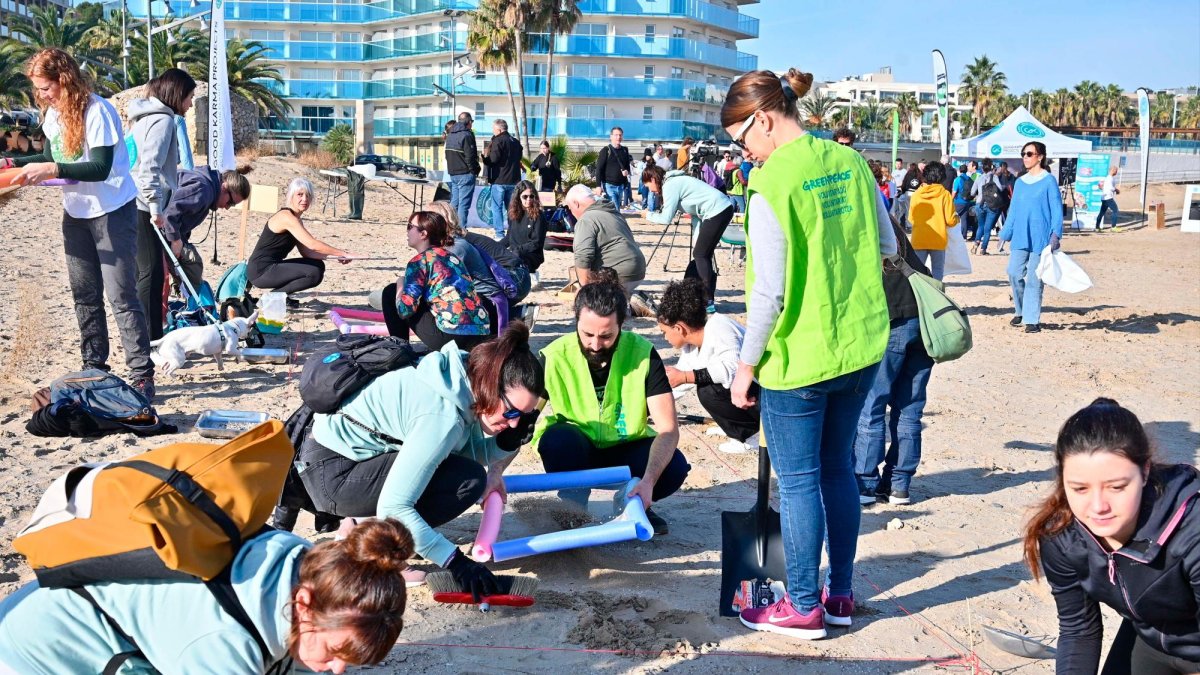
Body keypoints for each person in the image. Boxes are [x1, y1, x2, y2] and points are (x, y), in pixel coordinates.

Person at [720, 66, 897, 638]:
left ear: (763, 120)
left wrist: (745, 367)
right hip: (861, 344)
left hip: (799, 355)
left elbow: (768, 291)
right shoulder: (851, 162)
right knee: (838, 469)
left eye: (741, 139)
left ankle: (801, 604)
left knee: (798, 482)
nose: (744, 152)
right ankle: (839, 594)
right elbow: (887, 243)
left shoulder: (770, 183)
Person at [299, 325, 542, 597]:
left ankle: (360, 526)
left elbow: (459, 452)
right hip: (333, 473)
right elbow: (394, 507)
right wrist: (456, 562)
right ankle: (379, 550)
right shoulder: (442, 416)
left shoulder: (462, 376)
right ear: (491, 384)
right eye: (511, 412)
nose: (514, 423)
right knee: (464, 483)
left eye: (523, 416)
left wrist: (505, 443)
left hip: (344, 455)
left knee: (468, 476)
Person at [0, 519, 415, 674]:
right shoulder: (221, 645)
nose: (338, 670)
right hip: (36, 653)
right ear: (303, 604)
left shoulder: (306, 564)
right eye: (335, 652)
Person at [6, 49, 155, 400]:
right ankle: (94, 367)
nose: (41, 95)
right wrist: (12, 163)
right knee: (84, 294)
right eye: (38, 89)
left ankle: (141, 375)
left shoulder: (97, 111)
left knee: (121, 295)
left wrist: (52, 169)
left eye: (46, 88)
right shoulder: (54, 114)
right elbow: (51, 156)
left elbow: (100, 167)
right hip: (76, 214)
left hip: (112, 210)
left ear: (65, 80)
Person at [1023, 398, 1200, 675]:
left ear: (1145, 472)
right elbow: (1078, 630)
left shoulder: (1192, 531)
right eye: (1080, 489)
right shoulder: (1063, 538)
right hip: (1150, 638)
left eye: (1116, 487)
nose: (1098, 507)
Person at [533, 280, 689, 535]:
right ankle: (573, 507)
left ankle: (633, 501)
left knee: (674, 467)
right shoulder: (553, 356)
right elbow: (519, 422)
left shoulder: (643, 353)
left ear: (621, 326)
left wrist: (648, 481)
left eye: (606, 336)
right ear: (576, 322)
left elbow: (668, 429)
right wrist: (495, 473)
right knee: (557, 440)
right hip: (577, 450)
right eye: (587, 334)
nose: (595, 345)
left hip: (625, 449)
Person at [853, 217, 934, 506]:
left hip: (893, 322)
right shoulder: (892, 227)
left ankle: (865, 483)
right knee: (910, 408)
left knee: (871, 406)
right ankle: (899, 485)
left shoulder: (862, 231)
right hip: (924, 323)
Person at [656, 278, 759, 454]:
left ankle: (751, 436)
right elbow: (676, 387)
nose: (665, 338)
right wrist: (648, 406)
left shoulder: (719, 327)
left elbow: (732, 369)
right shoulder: (691, 347)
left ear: (679, 328)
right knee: (704, 382)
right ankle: (733, 428)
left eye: (664, 332)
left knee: (708, 390)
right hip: (748, 398)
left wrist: (686, 376)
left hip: (763, 398)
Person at [131, 68, 197, 338]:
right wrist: (156, 208)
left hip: (136, 201)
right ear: (177, 94)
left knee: (148, 272)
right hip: (143, 205)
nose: (190, 104)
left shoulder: (145, 117)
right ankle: (149, 339)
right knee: (152, 273)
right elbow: (150, 166)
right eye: (189, 97)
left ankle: (147, 336)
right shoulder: (163, 121)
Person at [384, 210, 492, 351]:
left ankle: (400, 350)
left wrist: (400, 284)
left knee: (390, 292)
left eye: (410, 226)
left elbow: (404, 310)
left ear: (423, 234)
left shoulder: (419, 262)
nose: (407, 231)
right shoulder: (452, 257)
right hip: (481, 333)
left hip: (450, 336)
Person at [641, 163, 735, 311]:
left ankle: (707, 300)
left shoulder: (670, 185)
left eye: (648, 186)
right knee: (703, 254)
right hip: (722, 208)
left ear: (652, 179)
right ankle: (706, 298)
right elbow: (696, 214)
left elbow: (666, 218)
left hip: (717, 210)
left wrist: (648, 215)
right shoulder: (675, 181)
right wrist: (698, 239)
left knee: (700, 254)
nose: (650, 190)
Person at [246, 178, 352, 304]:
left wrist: (337, 257)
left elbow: (307, 252)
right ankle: (273, 297)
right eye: (300, 195)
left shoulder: (296, 220)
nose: (305, 199)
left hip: (271, 267)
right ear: (291, 196)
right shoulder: (286, 217)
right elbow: (312, 244)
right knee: (314, 272)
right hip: (260, 271)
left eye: (308, 195)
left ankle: (277, 296)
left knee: (317, 266)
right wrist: (342, 252)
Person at [998, 141, 1062, 333]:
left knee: (1035, 278)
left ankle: (1032, 319)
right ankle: (1021, 310)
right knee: (1014, 273)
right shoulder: (1020, 182)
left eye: (1029, 154)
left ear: (1040, 157)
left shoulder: (1049, 181)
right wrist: (1005, 232)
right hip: (1020, 235)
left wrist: (1056, 234)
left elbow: (1056, 210)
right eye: (1023, 154)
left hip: (1041, 237)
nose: (1025, 157)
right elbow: (1013, 210)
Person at [565, 183, 646, 296]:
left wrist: (585, 289)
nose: (572, 213)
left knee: (589, 299)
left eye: (570, 209)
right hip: (639, 271)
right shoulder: (612, 212)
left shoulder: (586, 219)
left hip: (619, 274)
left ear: (576, 203)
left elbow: (583, 256)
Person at [908, 162, 958, 280]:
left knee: (918, 271)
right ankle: (936, 290)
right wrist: (957, 219)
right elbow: (950, 220)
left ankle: (919, 290)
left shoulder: (916, 194)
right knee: (938, 270)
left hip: (919, 238)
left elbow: (911, 218)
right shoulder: (945, 194)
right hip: (938, 239)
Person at [501, 179, 546, 290]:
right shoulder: (512, 214)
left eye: (531, 196)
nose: (528, 200)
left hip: (531, 254)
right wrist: (495, 246)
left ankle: (530, 274)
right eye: (525, 197)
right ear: (518, 197)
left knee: (516, 256)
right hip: (515, 252)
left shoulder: (539, 216)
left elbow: (536, 243)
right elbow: (509, 237)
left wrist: (517, 250)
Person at [483, 119, 521, 240]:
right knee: (511, 209)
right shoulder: (516, 142)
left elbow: (494, 159)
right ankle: (513, 233)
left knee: (497, 208)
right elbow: (519, 157)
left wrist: (485, 159)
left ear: (499, 130)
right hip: (514, 180)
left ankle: (499, 234)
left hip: (499, 180)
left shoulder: (498, 140)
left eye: (494, 129)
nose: (493, 132)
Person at [444, 112, 481, 229]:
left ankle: (449, 228)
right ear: (469, 122)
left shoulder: (450, 135)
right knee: (463, 205)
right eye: (472, 122)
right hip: (465, 173)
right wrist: (474, 170)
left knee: (454, 203)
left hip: (453, 173)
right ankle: (460, 232)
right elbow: (470, 156)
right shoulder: (466, 134)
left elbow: (447, 155)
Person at [970, 158, 1005, 255]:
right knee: (987, 228)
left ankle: (976, 243)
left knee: (980, 226)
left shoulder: (979, 178)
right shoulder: (994, 177)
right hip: (992, 205)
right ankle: (983, 249)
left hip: (979, 204)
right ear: (991, 167)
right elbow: (1000, 188)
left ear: (982, 168)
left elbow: (972, 192)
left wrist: (979, 194)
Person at [595, 126, 632, 210]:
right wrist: (598, 186)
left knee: (616, 209)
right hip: (609, 185)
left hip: (621, 186)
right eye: (616, 135)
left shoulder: (625, 150)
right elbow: (599, 169)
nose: (618, 137)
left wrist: (626, 171)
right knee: (615, 208)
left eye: (620, 135)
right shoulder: (606, 150)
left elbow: (627, 167)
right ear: (611, 136)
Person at [951, 164, 976, 239]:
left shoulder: (957, 179)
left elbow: (954, 191)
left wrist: (950, 200)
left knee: (952, 217)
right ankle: (964, 235)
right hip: (967, 201)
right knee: (964, 218)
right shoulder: (969, 178)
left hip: (958, 201)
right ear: (966, 170)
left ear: (959, 170)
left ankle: (952, 235)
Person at [1095, 165, 1120, 230]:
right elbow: (1110, 187)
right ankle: (1113, 227)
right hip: (1108, 197)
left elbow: (1105, 187)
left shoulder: (1108, 178)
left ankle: (1097, 227)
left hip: (1104, 198)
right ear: (1113, 170)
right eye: (1116, 170)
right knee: (1115, 210)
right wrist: (1116, 190)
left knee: (1102, 213)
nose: (1116, 172)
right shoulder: (1110, 178)